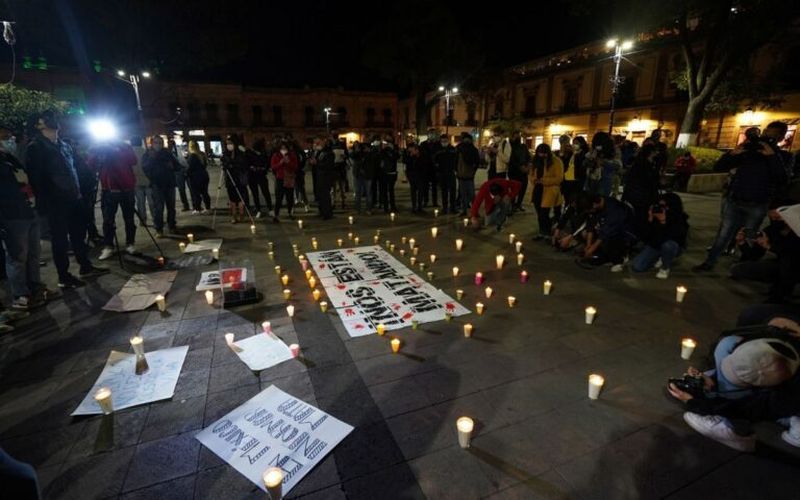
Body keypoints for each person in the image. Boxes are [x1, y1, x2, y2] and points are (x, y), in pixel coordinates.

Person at [668, 323, 800, 452]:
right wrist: (708, 377)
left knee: (743, 404)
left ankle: (738, 434)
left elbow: (741, 410)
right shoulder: (734, 341)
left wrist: (693, 401)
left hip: (787, 400)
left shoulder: (783, 394)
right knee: (724, 349)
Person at [25, 111, 107, 288]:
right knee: (60, 240)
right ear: (39, 126)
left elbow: (76, 169)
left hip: (74, 198)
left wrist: (85, 188)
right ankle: (64, 276)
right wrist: (46, 203)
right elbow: (36, 179)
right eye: (47, 119)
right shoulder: (36, 148)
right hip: (56, 202)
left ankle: (85, 266)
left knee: (79, 235)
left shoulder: (64, 145)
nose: (53, 121)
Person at [693, 126, 787, 272]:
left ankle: (742, 267)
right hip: (735, 201)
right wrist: (732, 154)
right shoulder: (749, 152)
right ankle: (710, 262)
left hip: (757, 205)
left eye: (771, 136)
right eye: (765, 133)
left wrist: (772, 156)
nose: (765, 138)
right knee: (723, 235)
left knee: (748, 236)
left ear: (780, 138)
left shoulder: (782, 156)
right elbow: (719, 167)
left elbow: (782, 179)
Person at [0, 124, 49, 309]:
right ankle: (20, 295)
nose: (10, 140)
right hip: (12, 216)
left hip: (29, 210)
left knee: (34, 254)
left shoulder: (9, 158)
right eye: (5, 137)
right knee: (17, 257)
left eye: (10, 137)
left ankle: (36, 287)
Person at [730, 201, 800, 303]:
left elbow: (794, 254)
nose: (774, 221)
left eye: (778, 218)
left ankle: (780, 296)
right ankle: (778, 287)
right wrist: (742, 243)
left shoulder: (797, 230)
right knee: (738, 269)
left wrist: (770, 247)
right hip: (783, 265)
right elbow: (754, 255)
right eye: (771, 218)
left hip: (795, 266)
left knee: (787, 263)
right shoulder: (771, 230)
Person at [88, 141, 138, 261]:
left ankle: (130, 243)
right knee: (108, 220)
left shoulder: (124, 146)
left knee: (129, 218)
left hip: (126, 189)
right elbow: (91, 165)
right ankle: (108, 246)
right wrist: (96, 151)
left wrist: (120, 147)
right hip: (109, 190)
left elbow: (133, 160)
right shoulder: (100, 148)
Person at [631, 192, 690, 279]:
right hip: (656, 244)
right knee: (637, 267)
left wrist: (663, 222)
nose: (661, 209)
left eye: (664, 206)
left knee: (668, 245)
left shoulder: (680, 218)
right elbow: (644, 236)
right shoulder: (655, 215)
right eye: (659, 205)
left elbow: (674, 238)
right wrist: (650, 219)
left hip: (671, 245)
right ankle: (659, 257)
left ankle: (665, 267)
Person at [580, 194, 634, 272]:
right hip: (607, 229)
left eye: (590, 209)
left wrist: (592, 248)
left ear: (594, 205)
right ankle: (605, 254)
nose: (590, 212)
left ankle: (621, 259)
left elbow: (606, 232)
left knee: (609, 239)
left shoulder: (614, 209)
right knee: (585, 233)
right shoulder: (598, 204)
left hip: (625, 233)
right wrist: (588, 245)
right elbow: (591, 224)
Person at [142, 136, 180, 237]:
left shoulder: (167, 153)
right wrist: (152, 159)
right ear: (152, 144)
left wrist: (173, 166)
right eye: (156, 142)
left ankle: (172, 225)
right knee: (158, 208)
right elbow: (145, 168)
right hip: (157, 185)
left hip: (169, 184)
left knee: (171, 207)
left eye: (160, 143)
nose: (158, 145)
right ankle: (159, 229)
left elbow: (177, 165)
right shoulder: (148, 154)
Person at [622, 143, 661, 239]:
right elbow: (648, 181)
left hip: (638, 194)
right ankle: (638, 235)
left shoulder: (643, 163)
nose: (657, 153)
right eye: (656, 151)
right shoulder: (643, 164)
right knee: (641, 216)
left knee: (640, 216)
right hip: (641, 196)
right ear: (651, 152)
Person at [530, 143, 564, 239]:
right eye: (539, 153)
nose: (541, 155)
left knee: (544, 213)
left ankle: (548, 233)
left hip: (549, 191)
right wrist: (534, 180)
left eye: (543, 153)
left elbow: (559, 178)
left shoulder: (556, 161)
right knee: (539, 213)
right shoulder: (536, 161)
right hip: (537, 190)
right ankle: (542, 232)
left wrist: (544, 181)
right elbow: (531, 174)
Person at [221, 135, 251, 224]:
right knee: (232, 200)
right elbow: (225, 166)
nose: (229, 145)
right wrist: (226, 164)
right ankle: (234, 217)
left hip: (239, 180)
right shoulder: (226, 154)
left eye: (230, 143)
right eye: (227, 143)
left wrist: (233, 165)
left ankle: (242, 216)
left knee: (241, 199)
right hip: (230, 180)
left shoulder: (240, 153)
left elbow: (244, 165)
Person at [584, 132, 620, 197]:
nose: (597, 145)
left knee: (601, 199)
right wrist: (590, 161)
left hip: (605, 180)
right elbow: (586, 162)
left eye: (599, 143)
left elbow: (617, 166)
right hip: (591, 179)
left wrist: (603, 163)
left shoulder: (614, 152)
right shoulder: (593, 150)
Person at [270, 141, 299, 222]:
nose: (283, 150)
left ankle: (290, 213)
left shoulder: (292, 155)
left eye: (285, 148)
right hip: (280, 178)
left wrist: (288, 162)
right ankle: (276, 215)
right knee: (279, 198)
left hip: (289, 178)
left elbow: (295, 167)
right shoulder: (276, 156)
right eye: (282, 148)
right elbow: (273, 167)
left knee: (289, 197)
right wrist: (281, 163)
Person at [130, 136, 155, 226]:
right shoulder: (145, 151)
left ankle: (143, 220)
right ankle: (155, 219)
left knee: (140, 203)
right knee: (152, 202)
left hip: (136, 181)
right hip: (148, 180)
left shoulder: (129, 153)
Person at [454, 132, 480, 217]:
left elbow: (477, 162)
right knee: (463, 194)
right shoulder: (459, 149)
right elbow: (455, 161)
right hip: (461, 175)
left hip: (469, 175)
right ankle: (464, 210)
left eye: (468, 139)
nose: (467, 140)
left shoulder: (473, 150)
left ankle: (475, 211)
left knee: (472, 194)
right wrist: (457, 170)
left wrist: (473, 171)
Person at [247, 138, 272, 218]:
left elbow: (267, 163)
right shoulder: (250, 153)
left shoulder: (264, 153)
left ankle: (270, 209)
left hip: (261, 175)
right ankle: (258, 210)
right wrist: (252, 167)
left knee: (266, 193)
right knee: (255, 194)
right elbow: (247, 164)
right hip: (252, 176)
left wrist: (263, 168)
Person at [311, 137, 335, 219]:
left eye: (318, 143)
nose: (316, 145)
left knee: (325, 196)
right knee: (320, 195)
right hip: (319, 176)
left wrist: (317, 163)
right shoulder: (319, 152)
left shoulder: (329, 153)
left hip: (326, 177)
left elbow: (328, 165)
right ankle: (321, 211)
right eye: (315, 143)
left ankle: (327, 213)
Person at [433, 134, 457, 214]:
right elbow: (434, 160)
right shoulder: (438, 150)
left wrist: (455, 168)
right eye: (442, 141)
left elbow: (456, 159)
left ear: (448, 141)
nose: (444, 142)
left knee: (452, 191)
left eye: (445, 141)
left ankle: (453, 208)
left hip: (451, 172)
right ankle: (445, 208)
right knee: (444, 192)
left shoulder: (452, 149)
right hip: (442, 173)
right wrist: (437, 168)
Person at [508, 131, 531, 210]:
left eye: (519, 136)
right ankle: (512, 205)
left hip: (523, 172)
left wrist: (528, 166)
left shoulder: (524, 146)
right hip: (514, 172)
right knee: (514, 189)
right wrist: (520, 167)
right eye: (516, 136)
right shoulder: (510, 146)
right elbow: (511, 159)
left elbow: (528, 157)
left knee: (523, 188)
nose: (518, 137)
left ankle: (519, 204)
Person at [186, 140, 211, 214]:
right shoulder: (202, 154)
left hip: (195, 177)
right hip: (204, 175)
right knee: (205, 193)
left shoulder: (192, 156)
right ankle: (208, 208)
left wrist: (186, 173)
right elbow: (205, 165)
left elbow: (190, 168)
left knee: (196, 194)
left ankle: (197, 209)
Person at [562, 135, 587, 202]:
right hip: (568, 179)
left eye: (576, 143)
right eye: (573, 143)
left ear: (581, 144)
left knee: (575, 199)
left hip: (577, 180)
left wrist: (575, 154)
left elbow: (581, 165)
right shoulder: (570, 153)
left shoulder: (583, 154)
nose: (574, 145)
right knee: (567, 198)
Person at [168, 140, 190, 212]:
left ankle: (190, 205)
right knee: (182, 190)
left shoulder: (179, 149)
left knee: (184, 189)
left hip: (181, 171)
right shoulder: (171, 152)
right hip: (179, 171)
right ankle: (187, 205)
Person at [379, 137, 399, 213]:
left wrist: (392, 149)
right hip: (384, 174)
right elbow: (380, 160)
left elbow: (396, 157)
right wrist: (383, 149)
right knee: (384, 191)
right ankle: (386, 207)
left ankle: (393, 206)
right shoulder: (382, 151)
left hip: (392, 173)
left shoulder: (393, 150)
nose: (385, 145)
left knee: (391, 191)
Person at [404, 143, 425, 214]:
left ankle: (420, 207)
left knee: (420, 192)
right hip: (412, 176)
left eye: (412, 149)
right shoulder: (409, 156)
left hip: (420, 176)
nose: (410, 150)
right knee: (413, 192)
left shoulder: (421, 155)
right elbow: (406, 164)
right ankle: (414, 207)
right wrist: (411, 156)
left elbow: (423, 165)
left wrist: (417, 156)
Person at [332, 138, 348, 210]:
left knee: (335, 188)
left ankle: (335, 202)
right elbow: (345, 158)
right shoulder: (343, 150)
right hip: (340, 170)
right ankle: (342, 202)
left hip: (336, 170)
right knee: (341, 188)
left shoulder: (333, 150)